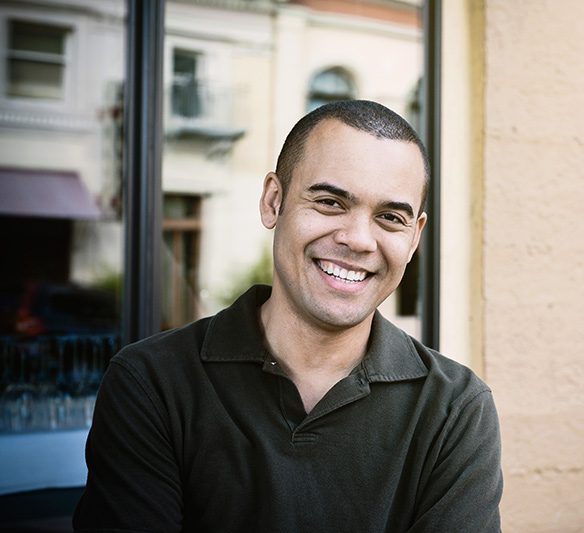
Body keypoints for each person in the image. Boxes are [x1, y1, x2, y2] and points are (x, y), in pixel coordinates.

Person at [73, 100, 503, 532]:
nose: (357, 240)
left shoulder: (456, 410)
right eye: (331, 202)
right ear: (273, 202)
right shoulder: (151, 383)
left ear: (414, 239)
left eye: (390, 218)